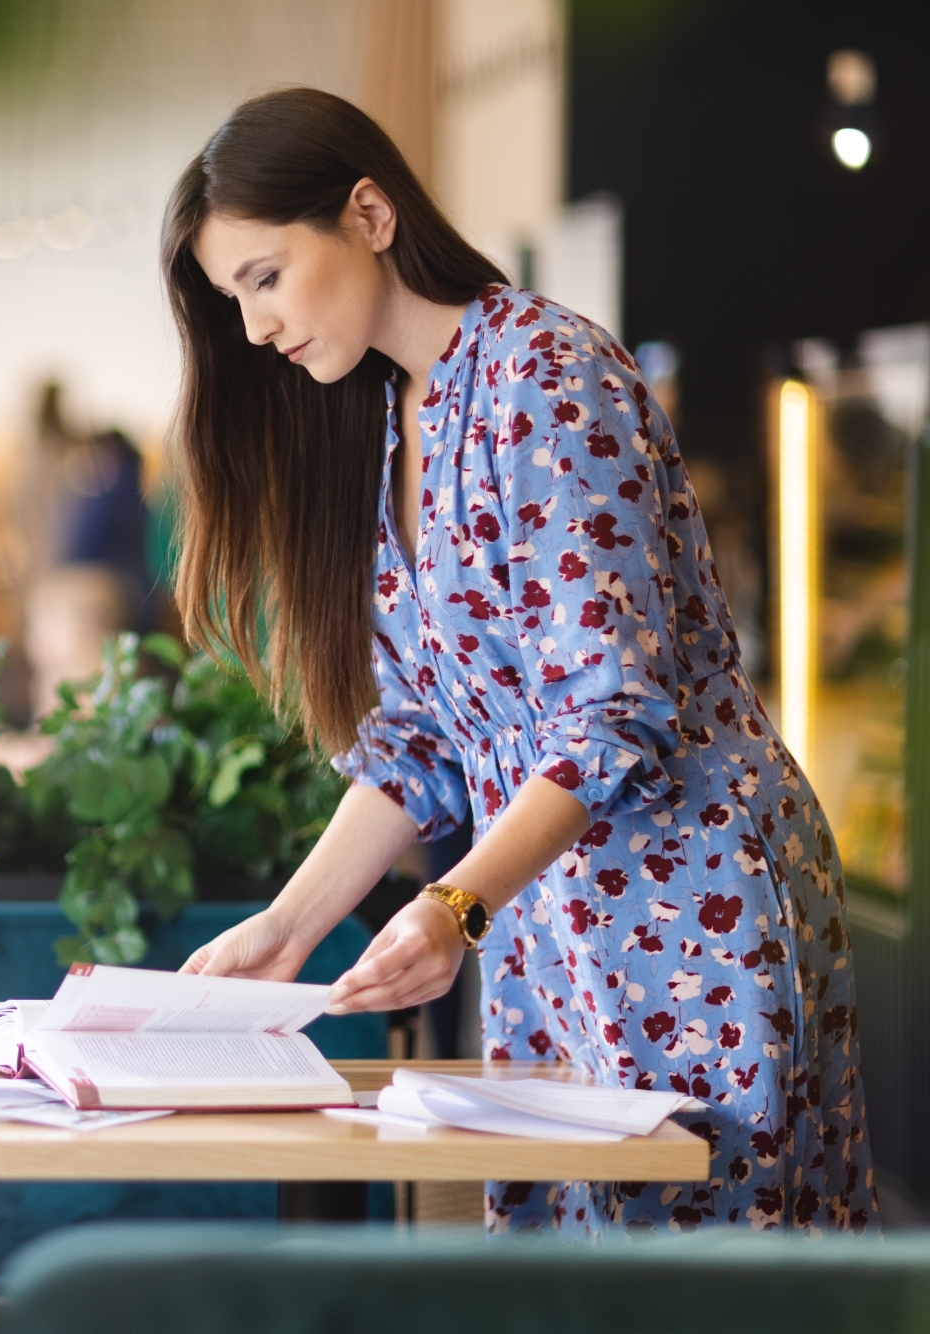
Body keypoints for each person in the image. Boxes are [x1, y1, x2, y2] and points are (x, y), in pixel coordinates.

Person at [167, 88, 875, 1235]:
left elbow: (609, 716)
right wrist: (289, 928)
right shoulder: (391, 417)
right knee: (564, 1278)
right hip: (544, 919)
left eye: (264, 275)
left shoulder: (542, 374)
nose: (253, 327)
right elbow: (421, 738)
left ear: (367, 212)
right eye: (230, 297)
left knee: (708, 1280)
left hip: (684, 894)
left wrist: (453, 904)